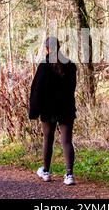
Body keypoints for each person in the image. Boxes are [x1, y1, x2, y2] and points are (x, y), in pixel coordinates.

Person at [29, 37, 77, 185]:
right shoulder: (70, 65)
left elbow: (36, 90)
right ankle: (69, 175)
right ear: (59, 47)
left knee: (48, 140)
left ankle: (46, 172)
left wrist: (34, 111)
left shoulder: (44, 66)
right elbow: (72, 88)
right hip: (66, 107)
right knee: (67, 141)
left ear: (47, 49)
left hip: (48, 109)